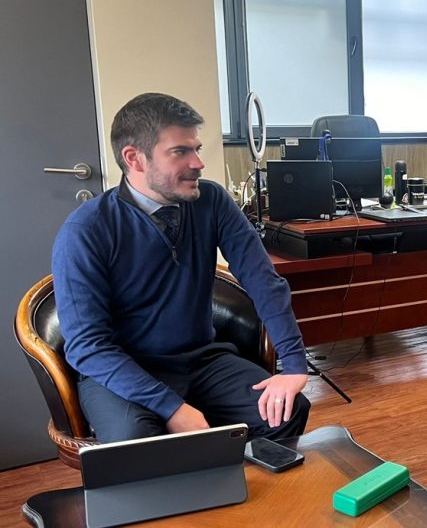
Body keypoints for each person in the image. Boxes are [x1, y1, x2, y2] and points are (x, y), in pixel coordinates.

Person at [52, 93, 310, 443]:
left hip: (200, 361)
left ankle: (239, 481)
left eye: (197, 149)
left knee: (285, 411)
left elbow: (263, 281)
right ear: (134, 158)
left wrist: (293, 365)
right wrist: (172, 408)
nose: (198, 163)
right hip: (124, 370)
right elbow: (87, 345)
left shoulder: (212, 201)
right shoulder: (86, 230)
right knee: (139, 442)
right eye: (180, 152)